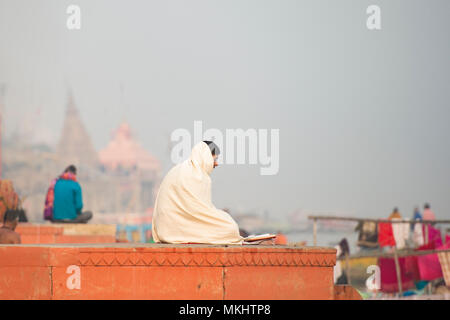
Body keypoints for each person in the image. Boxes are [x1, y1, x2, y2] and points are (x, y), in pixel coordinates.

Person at [152, 141, 243, 244]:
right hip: (178, 228)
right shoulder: (198, 176)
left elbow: (196, 210)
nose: (216, 164)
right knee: (230, 228)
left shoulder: (178, 169)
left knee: (226, 221)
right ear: (206, 157)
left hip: (165, 229)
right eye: (215, 159)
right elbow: (199, 212)